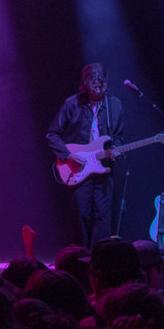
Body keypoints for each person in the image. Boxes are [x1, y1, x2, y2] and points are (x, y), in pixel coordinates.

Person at [46, 62, 126, 248]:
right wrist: (68, 154)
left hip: (104, 168)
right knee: (81, 215)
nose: (98, 86)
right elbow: (52, 134)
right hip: (78, 167)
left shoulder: (115, 105)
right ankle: (81, 255)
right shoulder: (72, 104)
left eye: (101, 83)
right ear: (85, 82)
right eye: (93, 82)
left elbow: (118, 137)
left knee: (102, 217)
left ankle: (100, 256)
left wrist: (116, 150)